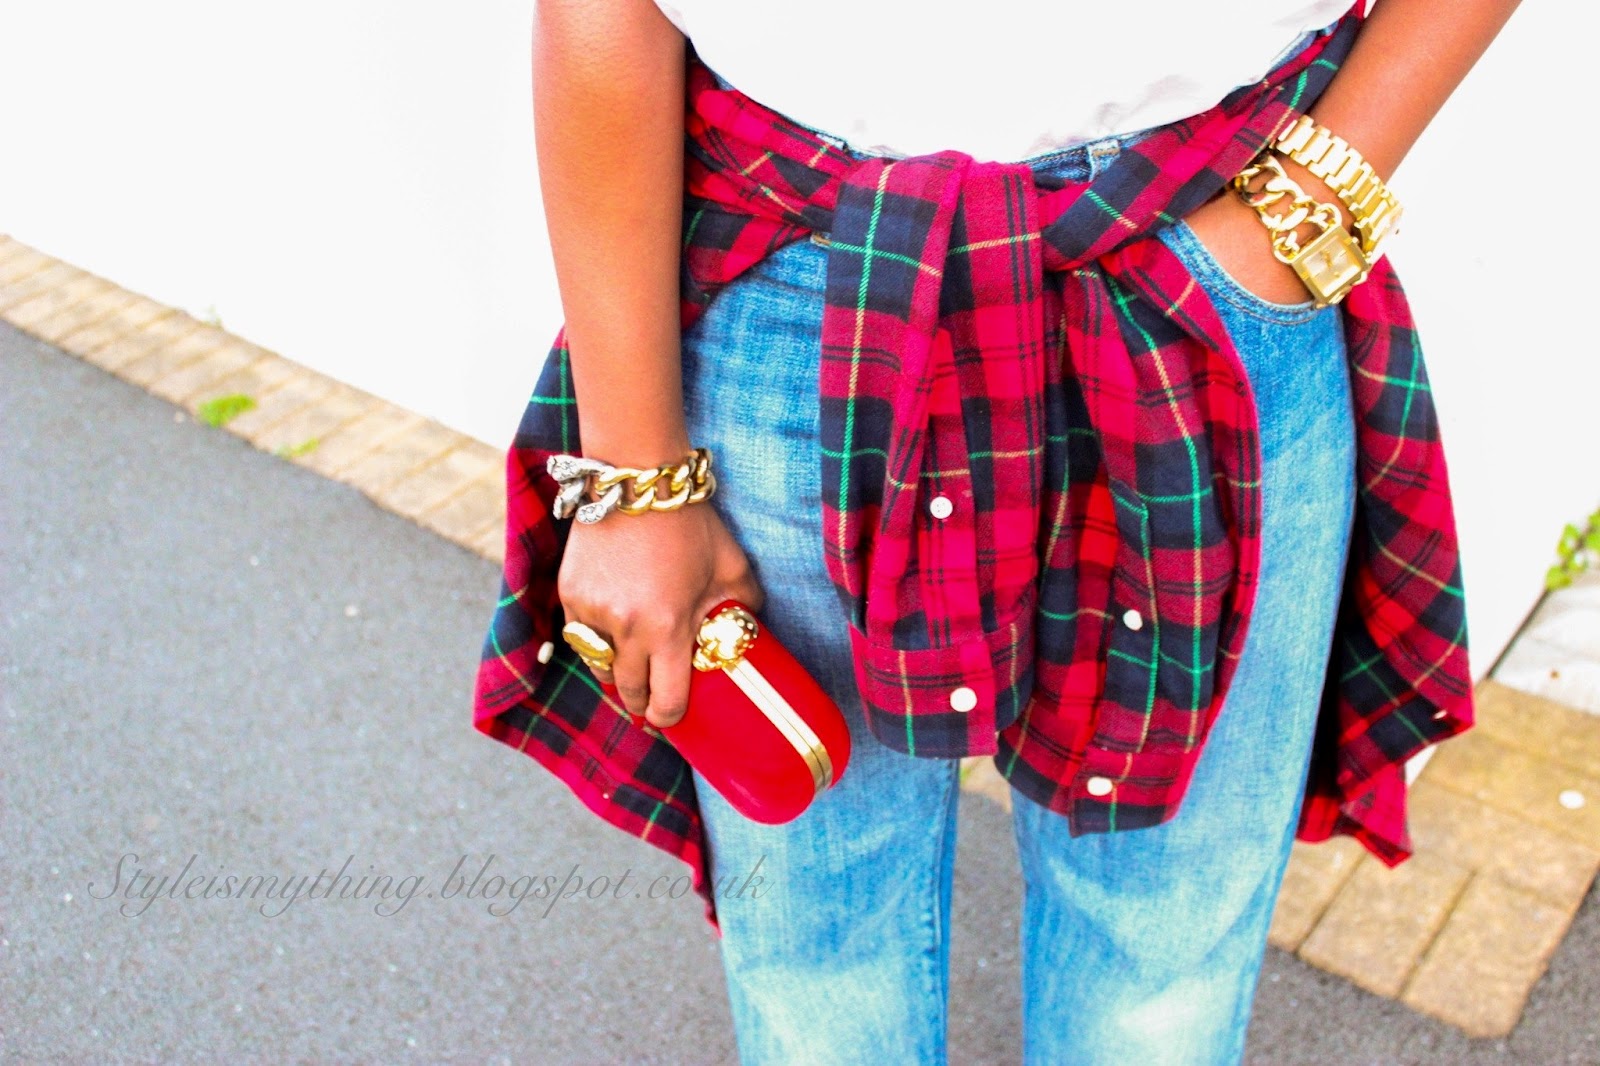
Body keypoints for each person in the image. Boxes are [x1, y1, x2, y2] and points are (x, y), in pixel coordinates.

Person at [485, 0, 1519, 1061]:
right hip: (799, 271)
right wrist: (635, 483)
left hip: (1200, 255)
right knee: (815, 935)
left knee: (1161, 946)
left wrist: (1301, 210)